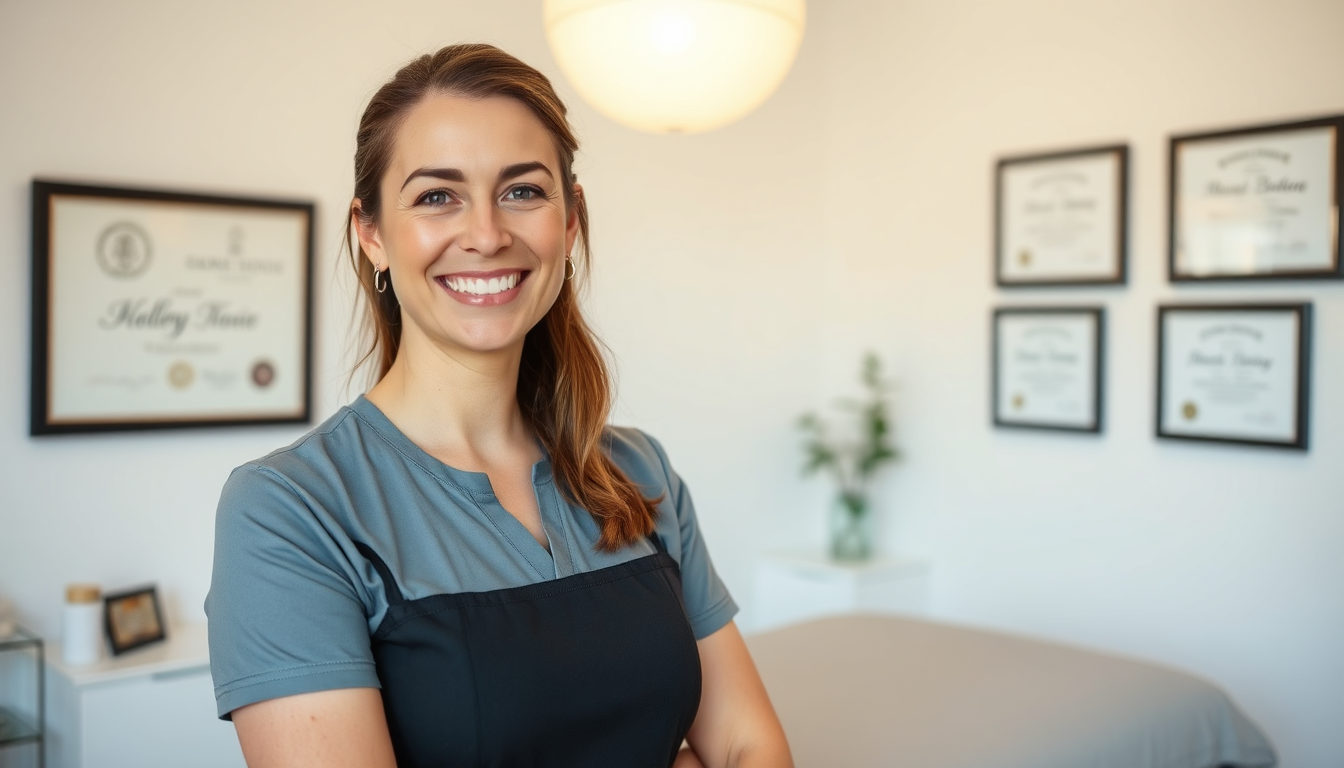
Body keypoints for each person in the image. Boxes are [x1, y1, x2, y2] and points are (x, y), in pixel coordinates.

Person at [206, 43, 793, 768]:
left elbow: (746, 745)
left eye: (522, 191)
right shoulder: (292, 509)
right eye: (436, 196)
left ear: (570, 221)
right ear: (372, 234)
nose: (486, 235)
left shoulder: (639, 471)